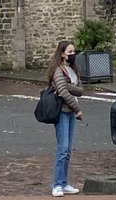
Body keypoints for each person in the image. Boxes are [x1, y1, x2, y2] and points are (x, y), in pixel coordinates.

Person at [47, 38, 83, 196]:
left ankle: (64, 182)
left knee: (68, 150)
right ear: (62, 54)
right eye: (70, 52)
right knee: (62, 148)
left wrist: (68, 87)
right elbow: (62, 92)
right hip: (62, 112)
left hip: (70, 113)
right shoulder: (58, 70)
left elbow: (80, 90)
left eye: (74, 51)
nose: (73, 54)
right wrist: (77, 109)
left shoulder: (73, 70)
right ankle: (56, 185)